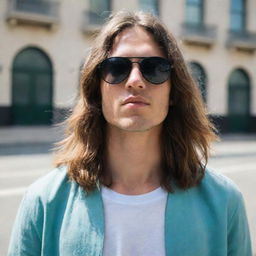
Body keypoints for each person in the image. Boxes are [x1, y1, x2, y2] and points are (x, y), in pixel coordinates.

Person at [8, 11, 252, 256]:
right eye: (117, 68)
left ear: (174, 92)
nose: (135, 81)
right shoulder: (43, 201)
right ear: (96, 90)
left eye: (154, 68)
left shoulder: (224, 202)